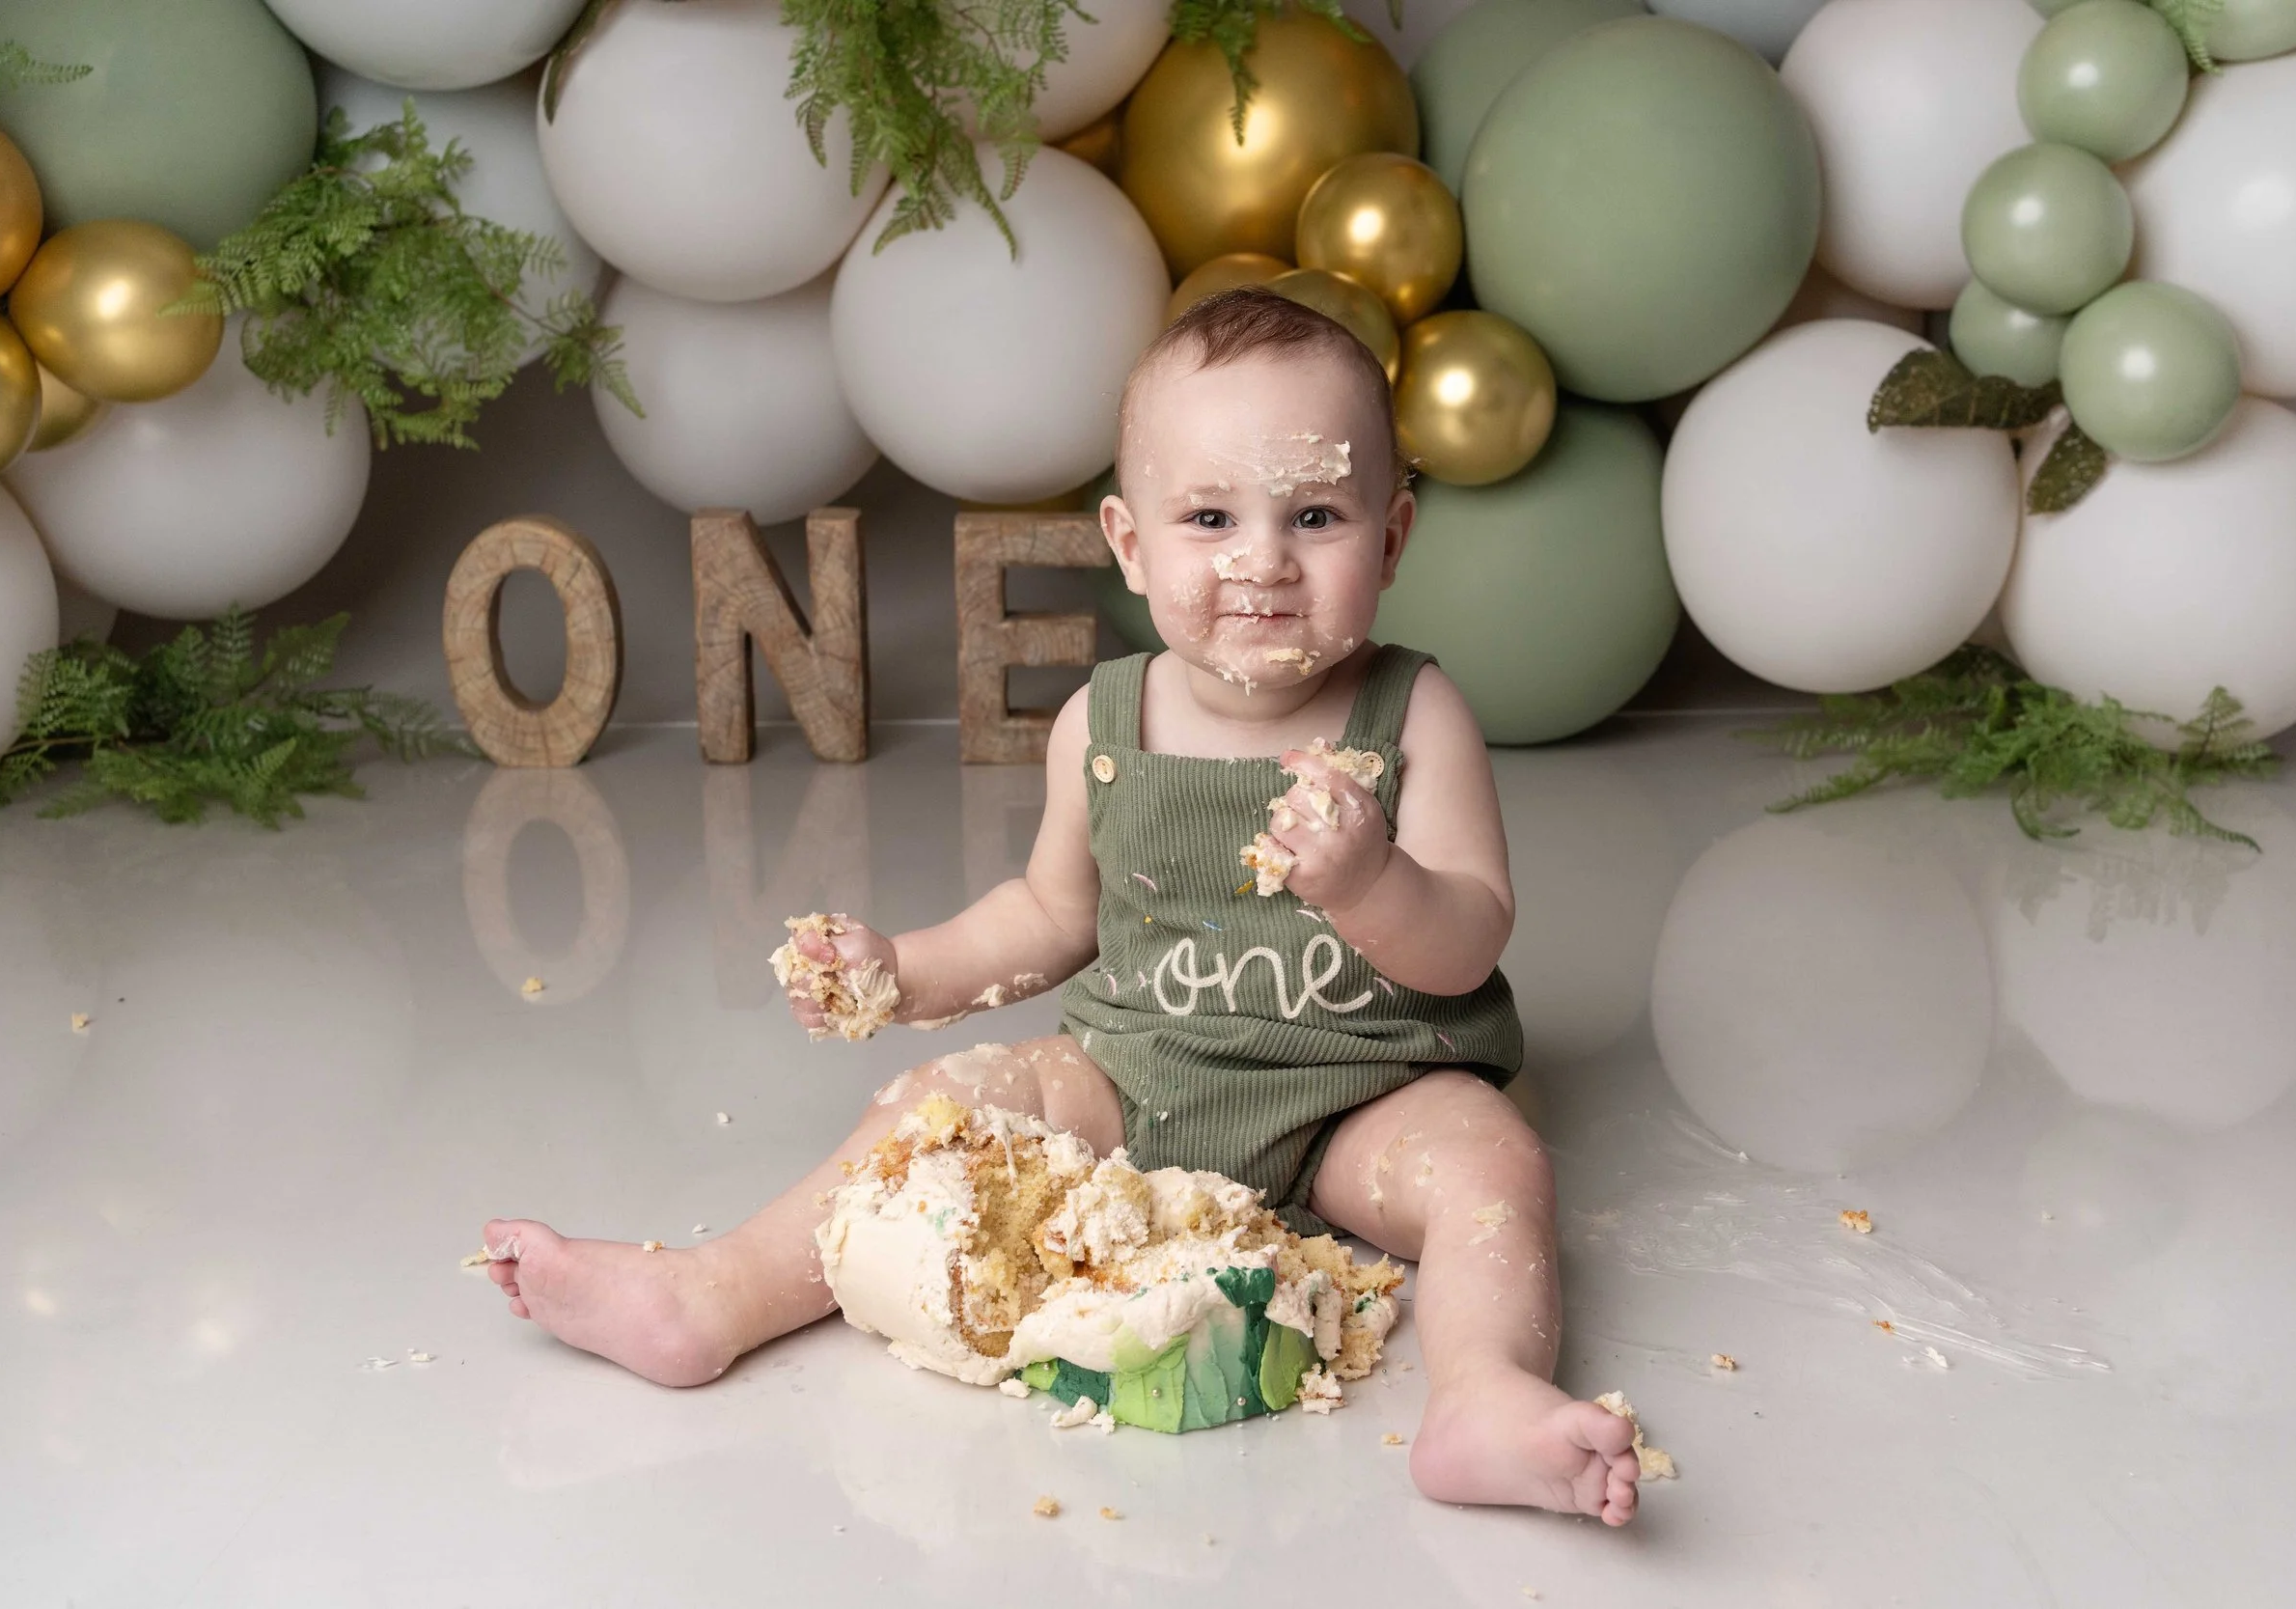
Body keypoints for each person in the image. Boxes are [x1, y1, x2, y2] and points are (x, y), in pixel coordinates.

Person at [479, 288, 1641, 1524]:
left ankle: (1479, 1393)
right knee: (944, 1101)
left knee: (1492, 1160)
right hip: (1140, 1071)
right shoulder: (1107, 721)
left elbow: (1467, 941)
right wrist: (902, 969)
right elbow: (1045, 913)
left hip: (1369, 1089)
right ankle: (712, 1291)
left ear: (1393, 536)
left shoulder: (1413, 714)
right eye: (1208, 516)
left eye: (1314, 513)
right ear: (1130, 546)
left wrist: (1373, 882)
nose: (1261, 559)